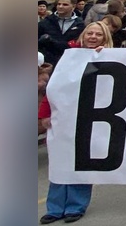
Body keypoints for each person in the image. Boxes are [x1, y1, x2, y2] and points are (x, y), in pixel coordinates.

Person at [39, 22, 113, 224]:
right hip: (63, 118)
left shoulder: (113, 58)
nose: (93, 37)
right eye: (90, 33)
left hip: (92, 118)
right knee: (60, 162)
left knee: (82, 162)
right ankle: (54, 208)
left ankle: (76, 206)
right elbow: (54, 87)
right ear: (83, 35)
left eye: (98, 34)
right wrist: (45, 113)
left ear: (105, 38)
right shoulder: (69, 56)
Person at [38, 0, 85, 66]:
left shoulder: (80, 24)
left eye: (65, 5)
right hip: (47, 63)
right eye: (59, 4)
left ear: (73, 6)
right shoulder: (46, 22)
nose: (60, 6)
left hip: (69, 62)